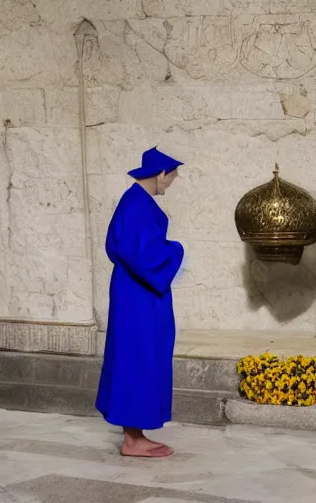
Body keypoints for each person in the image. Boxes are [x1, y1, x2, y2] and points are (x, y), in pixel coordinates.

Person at [96, 147, 185, 458]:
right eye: (171, 177)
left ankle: (135, 434)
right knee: (138, 358)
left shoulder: (135, 202)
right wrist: (176, 250)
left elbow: (116, 247)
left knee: (137, 356)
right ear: (160, 173)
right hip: (139, 295)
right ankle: (132, 439)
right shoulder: (138, 204)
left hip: (134, 291)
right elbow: (142, 255)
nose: (170, 183)